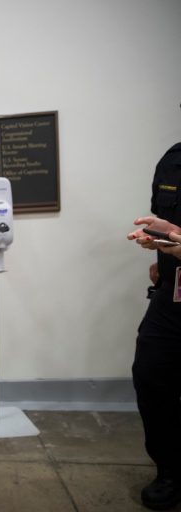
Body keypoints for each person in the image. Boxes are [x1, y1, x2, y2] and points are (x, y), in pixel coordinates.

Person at [127, 142, 181, 511]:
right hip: (172, 294)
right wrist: (163, 242)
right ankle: (170, 470)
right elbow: (170, 225)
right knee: (150, 375)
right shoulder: (173, 159)